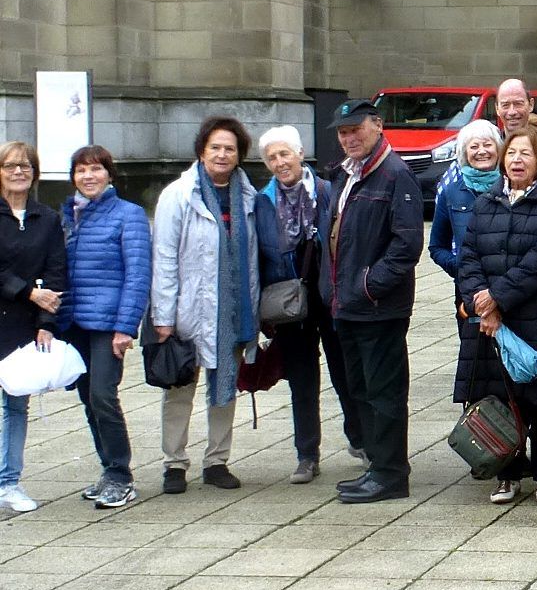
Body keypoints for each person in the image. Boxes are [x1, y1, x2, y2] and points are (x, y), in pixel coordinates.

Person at [456, 125, 537, 505]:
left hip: (536, 317)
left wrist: (496, 300)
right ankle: (506, 473)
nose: (517, 160)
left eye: (526, 154)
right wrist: (480, 302)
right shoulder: (484, 203)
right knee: (498, 397)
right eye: (512, 153)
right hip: (490, 322)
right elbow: (468, 257)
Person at [151, 117, 260, 495]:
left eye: (230, 148)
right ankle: (174, 463)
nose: (222, 154)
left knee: (225, 386)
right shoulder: (178, 196)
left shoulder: (248, 197)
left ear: (239, 156)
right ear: (202, 150)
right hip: (188, 312)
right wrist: (163, 316)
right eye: (215, 147)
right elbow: (164, 258)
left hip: (232, 311)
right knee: (180, 387)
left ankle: (217, 461)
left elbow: (253, 260)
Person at [324, 98, 424, 503]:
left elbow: (406, 245)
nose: (349, 137)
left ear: (377, 125)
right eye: (343, 132)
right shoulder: (348, 174)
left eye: (356, 129)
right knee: (361, 391)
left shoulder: (395, 175)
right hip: (348, 306)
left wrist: (368, 285)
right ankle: (377, 466)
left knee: (384, 393)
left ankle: (390, 474)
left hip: (378, 308)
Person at [256, 125, 362, 485]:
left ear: (300, 154)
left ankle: (359, 438)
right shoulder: (262, 201)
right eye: (272, 157)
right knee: (301, 380)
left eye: (285, 154)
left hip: (329, 296)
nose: (280, 162)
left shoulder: (328, 191)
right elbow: (257, 256)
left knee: (344, 373)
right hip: (288, 301)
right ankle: (307, 455)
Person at [58, 145, 150, 510]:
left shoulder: (129, 215)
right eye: (81, 170)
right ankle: (107, 469)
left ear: (109, 174)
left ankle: (121, 475)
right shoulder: (68, 216)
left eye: (96, 169)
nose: (88, 176)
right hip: (74, 322)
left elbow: (138, 274)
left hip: (109, 324)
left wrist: (126, 327)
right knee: (87, 399)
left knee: (102, 396)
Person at [0, 141, 66, 513]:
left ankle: (8, 482)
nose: (18, 171)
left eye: (25, 166)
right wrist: (28, 292)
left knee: (15, 404)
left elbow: (56, 271)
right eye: (10, 165)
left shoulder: (47, 218)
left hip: (24, 325)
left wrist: (47, 322)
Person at [429, 119, 504, 281]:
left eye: (488, 145)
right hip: (467, 288)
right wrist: (459, 267)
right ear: (464, 153)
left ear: (499, 149)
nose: (482, 151)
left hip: (508, 287)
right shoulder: (451, 192)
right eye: (474, 146)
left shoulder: (511, 187)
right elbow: (437, 246)